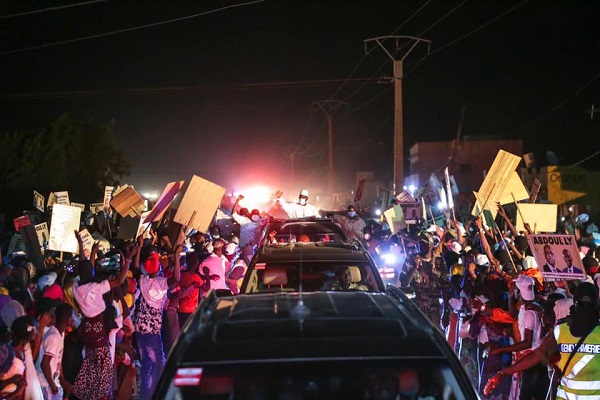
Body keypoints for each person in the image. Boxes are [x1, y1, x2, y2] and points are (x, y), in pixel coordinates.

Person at [484, 282, 600, 399]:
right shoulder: (560, 330)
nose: (585, 308)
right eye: (582, 303)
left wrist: (503, 373)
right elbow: (537, 355)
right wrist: (503, 373)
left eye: (588, 304)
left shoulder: (561, 329)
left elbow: (538, 355)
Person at [487, 274, 547, 400]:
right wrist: (510, 297)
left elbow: (527, 343)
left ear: (519, 292)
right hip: (530, 357)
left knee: (527, 395)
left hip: (532, 358)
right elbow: (514, 315)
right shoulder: (528, 307)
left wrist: (501, 349)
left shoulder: (530, 313)